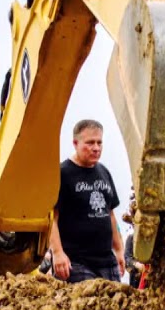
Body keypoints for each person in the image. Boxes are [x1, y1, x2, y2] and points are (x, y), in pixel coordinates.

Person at [49, 120, 125, 284]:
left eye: (99, 142)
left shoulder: (104, 172)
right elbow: (51, 218)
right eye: (90, 143)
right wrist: (57, 253)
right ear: (75, 143)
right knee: (86, 306)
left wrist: (119, 250)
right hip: (76, 262)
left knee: (116, 307)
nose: (96, 148)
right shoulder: (63, 174)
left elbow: (110, 214)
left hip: (106, 261)